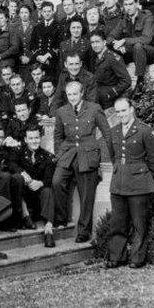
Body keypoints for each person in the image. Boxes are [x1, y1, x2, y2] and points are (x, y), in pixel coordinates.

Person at [52, 81, 113, 243]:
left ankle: (83, 231)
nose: (72, 97)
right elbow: (58, 136)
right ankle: (61, 218)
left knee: (86, 194)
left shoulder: (94, 108)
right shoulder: (61, 111)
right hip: (68, 154)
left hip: (87, 155)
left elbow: (107, 134)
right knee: (57, 182)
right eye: (69, 94)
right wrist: (59, 155)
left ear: (82, 93)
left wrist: (102, 157)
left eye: (75, 94)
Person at [106, 97, 154, 269]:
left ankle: (137, 258)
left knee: (139, 223)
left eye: (123, 110)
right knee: (118, 222)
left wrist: (142, 176)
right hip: (118, 182)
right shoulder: (113, 131)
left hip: (139, 184)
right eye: (118, 111)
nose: (121, 114)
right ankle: (117, 256)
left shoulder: (145, 130)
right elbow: (113, 155)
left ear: (131, 109)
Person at [108, 0, 154, 95]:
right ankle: (118, 83)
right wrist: (117, 45)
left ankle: (140, 82)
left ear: (136, 4)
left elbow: (146, 39)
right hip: (132, 52)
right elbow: (110, 37)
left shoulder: (147, 16)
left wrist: (124, 41)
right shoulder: (124, 19)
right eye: (126, 5)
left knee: (138, 46)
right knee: (110, 49)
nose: (128, 7)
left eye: (131, 4)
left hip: (149, 51)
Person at [17, 126, 57, 247]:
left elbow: (50, 178)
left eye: (36, 138)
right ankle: (26, 216)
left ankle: (49, 231)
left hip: (40, 201)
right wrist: (23, 173)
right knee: (17, 181)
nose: (34, 141)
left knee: (48, 190)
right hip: (24, 200)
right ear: (25, 139)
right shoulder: (19, 154)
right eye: (31, 138)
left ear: (40, 138)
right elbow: (11, 164)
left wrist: (40, 183)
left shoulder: (47, 156)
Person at [88, 32, 131, 109]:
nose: (95, 45)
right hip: (98, 97)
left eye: (97, 42)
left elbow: (126, 80)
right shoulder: (96, 57)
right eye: (92, 42)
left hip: (110, 100)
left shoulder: (112, 58)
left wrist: (111, 93)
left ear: (104, 42)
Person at [30, 1, 62, 79]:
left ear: (53, 12)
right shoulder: (37, 27)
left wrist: (46, 56)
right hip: (38, 62)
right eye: (45, 11)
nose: (47, 13)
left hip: (52, 62)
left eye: (49, 11)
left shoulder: (58, 26)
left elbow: (59, 45)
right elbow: (32, 45)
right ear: (41, 12)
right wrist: (38, 57)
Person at [0, 11, 20, 79]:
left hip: (8, 63)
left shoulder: (12, 30)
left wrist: (1, 56)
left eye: (1, 18)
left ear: (6, 18)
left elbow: (15, 48)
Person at [13, 4, 36, 83]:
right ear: (19, 14)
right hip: (19, 62)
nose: (24, 15)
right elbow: (13, 45)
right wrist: (20, 57)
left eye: (26, 12)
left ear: (30, 13)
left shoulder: (35, 26)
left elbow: (37, 45)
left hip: (33, 61)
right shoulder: (14, 27)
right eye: (21, 12)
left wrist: (29, 57)